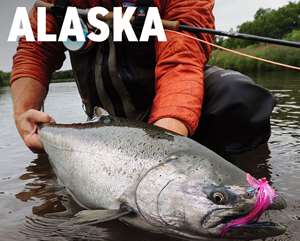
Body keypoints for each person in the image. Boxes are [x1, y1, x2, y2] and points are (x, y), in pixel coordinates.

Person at [11, 0, 275, 155]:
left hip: (171, 118)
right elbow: (34, 52)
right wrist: (25, 114)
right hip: (106, 121)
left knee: (239, 97)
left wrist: (161, 149)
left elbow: (180, 59)